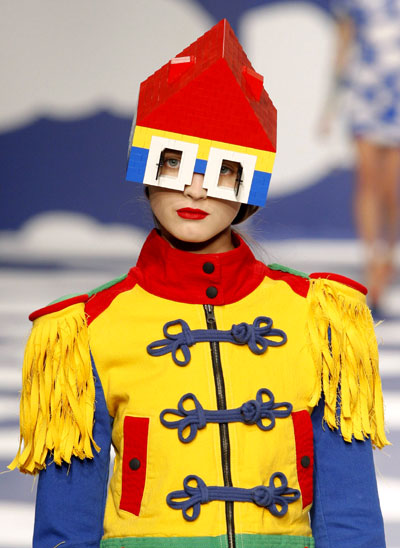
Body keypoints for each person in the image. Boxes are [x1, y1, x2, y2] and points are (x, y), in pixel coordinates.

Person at [10, 19, 388, 548]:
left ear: (250, 184)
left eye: (223, 170)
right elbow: (65, 528)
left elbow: (350, 515)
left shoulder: (322, 318)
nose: (194, 188)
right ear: (146, 169)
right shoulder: (83, 332)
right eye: (173, 162)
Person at [324, 0, 400, 313]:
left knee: (391, 189)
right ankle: (373, 264)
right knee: (367, 182)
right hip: (365, 91)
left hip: (397, 93)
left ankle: (387, 257)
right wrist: (330, 106)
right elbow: (343, 44)